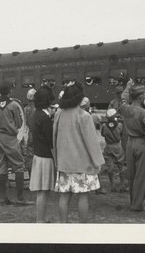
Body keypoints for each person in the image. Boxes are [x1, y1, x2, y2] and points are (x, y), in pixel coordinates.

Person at [53, 81, 104, 223]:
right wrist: (97, 162)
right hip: (83, 164)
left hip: (64, 163)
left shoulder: (59, 114)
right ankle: (82, 227)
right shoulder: (84, 116)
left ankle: (64, 225)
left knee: (64, 196)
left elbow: (54, 138)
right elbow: (91, 143)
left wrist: (57, 159)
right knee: (83, 196)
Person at [0, 80, 34, 206]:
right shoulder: (13, 105)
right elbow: (20, 123)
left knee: (2, 166)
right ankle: (20, 197)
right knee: (19, 165)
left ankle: (3, 197)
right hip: (10, 138)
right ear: (10, 91)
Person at [118, 84, 145, 211]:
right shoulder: (144, 113)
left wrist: (127, 87)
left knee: (132, 174)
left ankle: (133, 201)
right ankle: (138, 204)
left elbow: (123, 98)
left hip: (129, 143)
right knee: (142, 175)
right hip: (141, 142)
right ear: (141, 97)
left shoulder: (124, 109)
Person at [29, 86, 55, 223]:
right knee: (44, 191)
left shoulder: (36, 114)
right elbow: (50, 141)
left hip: (38, 155)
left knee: (41, 191)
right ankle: (40, 220)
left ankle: (41, 219)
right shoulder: (45, 118)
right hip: (46, 157)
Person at [100, 109, 127, 193]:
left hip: (108, 146)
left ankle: (112, 185)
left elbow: (102, 134)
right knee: (121, 165)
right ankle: (122, 185)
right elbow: (122, 134)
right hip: (117, 146)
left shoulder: (104, 126)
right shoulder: (119, 125)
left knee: (110, 167)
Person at [23, 88, 37, 179]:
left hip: (29, 134)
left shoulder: (25, 109)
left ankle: (31, 178)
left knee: (29, 157)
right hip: (36, 134)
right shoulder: (37, 109)